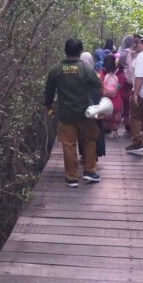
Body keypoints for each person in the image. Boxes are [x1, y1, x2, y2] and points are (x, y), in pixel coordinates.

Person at [45, 39, 103, 187]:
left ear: (65, 51)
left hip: (66, 115)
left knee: (69, 145)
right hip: (85, 113)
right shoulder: (85, 68)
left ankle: (72, 178)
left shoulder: (56, 70)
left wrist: (49, 105)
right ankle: (89, 171)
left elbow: (49, 93)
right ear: (80, 51)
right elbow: (98, 85)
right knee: (90, 140)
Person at [99, 53, 123, 136]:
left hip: (105, 100)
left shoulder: (102, 72)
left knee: (105, 115)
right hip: (116, 99)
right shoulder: (119, 72)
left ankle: (106, 129)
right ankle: (114, 130)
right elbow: (121, 84)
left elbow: (100, 84)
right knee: (116, 114)